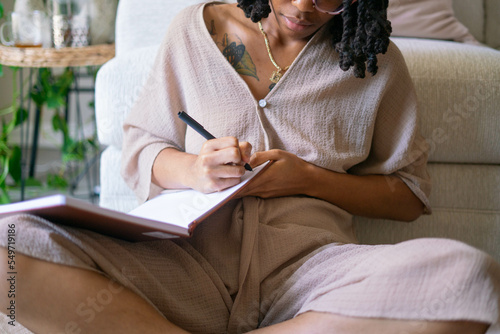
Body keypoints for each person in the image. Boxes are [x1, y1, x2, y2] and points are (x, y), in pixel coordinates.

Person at [1, 0, 499, 333]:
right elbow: (140, 148)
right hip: (183, 266)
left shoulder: (374, 62)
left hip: (309, 279)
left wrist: (309, 178)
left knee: (470, 280)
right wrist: (195, 170)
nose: (303, 7)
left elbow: (410, 194)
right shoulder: (196, 32)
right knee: (7, 247)